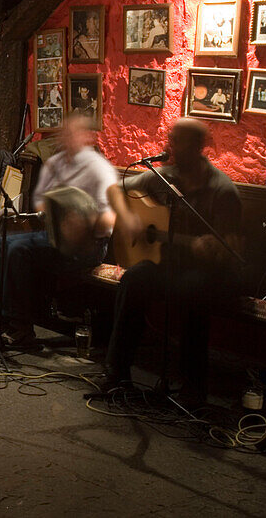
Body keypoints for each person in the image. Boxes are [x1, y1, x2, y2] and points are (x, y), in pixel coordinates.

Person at [100, 118, 243, 404]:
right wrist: (128, 219)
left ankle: (193, 387)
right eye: (171, 138)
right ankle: (117, 373)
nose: (170, 145)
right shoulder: (164, 176)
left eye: (178, 140)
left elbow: (232, 248)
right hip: (167, 265)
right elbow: (115, 189)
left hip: (207, 272)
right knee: (133, 278)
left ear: (199, 146)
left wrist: (211, 249)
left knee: (194, 290)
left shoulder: (221, 190)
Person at [0, 114, 118, 345]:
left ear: (87, 137)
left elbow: (108, 219)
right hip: (54, 234)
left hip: (89, 244)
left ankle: (21, 326)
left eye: (74, 134)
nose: (67, 139)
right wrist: (59, 211)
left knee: (18, 249)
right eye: (65, 133)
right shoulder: (56, 163)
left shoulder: (100, 169)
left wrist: (81, 221)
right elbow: (40, 203)